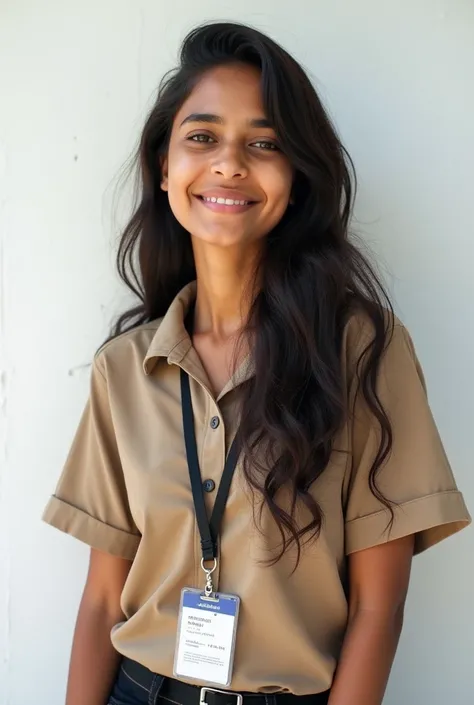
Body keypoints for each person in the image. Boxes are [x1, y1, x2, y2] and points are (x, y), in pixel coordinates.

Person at [42, 20, 471, 705]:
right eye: (202, 136)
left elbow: (378, 608)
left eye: (264, 143)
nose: (230, 163)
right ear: (164, 166)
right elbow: (101, 601)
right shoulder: (123, 369)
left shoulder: (364, 349)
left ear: (297, 175)